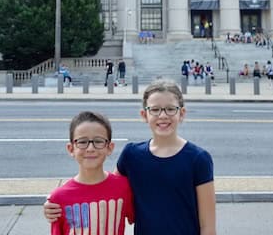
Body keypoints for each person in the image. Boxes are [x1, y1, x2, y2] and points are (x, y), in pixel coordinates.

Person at [45, 80, 217, 235]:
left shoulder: (198, 159)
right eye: (155, 109)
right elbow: (102, 188)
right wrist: (56, 201)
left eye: (170, 109)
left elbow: (207, 226)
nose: (163, 115)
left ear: (182, 113)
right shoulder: (132, 155)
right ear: (144, 115)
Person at [46, 111, 134, 235]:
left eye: (98, 141)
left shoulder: (124, 187)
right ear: (71, 149)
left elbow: (144, 215)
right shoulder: (58, 198)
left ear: (109, 147)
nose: (90, 148)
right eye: (82, 142)